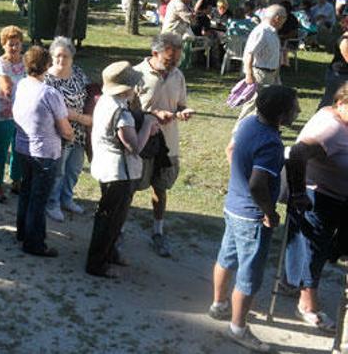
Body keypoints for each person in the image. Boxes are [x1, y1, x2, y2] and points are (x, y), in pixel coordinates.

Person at [210, 85, 299, 353]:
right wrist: (270, 213)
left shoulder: (250, 122)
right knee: (249, 274)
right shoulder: (271, 143)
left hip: (233, 205)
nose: (298, 111)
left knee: (226, 257)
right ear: (282, 116)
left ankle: (219, 304)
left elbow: (232, 150)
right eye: (295, 108)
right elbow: (258, 184)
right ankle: (237, 328)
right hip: (252, 216)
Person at [281, 84, 348, 333]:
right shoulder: (331, 127)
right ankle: (307, 305)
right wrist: (298, 192)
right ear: (341, 102)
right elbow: (297, 153)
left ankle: (292, 282)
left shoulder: (339, 116)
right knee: (313, 249)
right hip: (318, 195)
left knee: (312, 246)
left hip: (333, 196)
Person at [86, 61, 159, 278]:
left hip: (107, 168)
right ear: (127, 87)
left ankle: (108, 254)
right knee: (110, 218)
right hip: (118, 172)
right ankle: (97, 263)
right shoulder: (121, 112)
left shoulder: (105, 102)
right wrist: (148, 125)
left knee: (111, 217)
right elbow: (134, 146)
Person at [133, 33, 195, 258]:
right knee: (131, 186)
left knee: (161, 187)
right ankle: (118, 230)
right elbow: (128, 111)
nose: (173, 66)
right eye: (169, 61)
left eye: (177, 61)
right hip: (141, 142)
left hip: (168, 143)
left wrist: (182, 112)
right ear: (155, 53)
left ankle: (158, 232)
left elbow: (179, 104)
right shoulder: (137, 74)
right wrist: (153, 114)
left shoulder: (178, 76)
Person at [13, 45, 73, 257]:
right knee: (39, 199)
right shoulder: (50, 93)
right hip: (45, 152)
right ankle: (34, 243)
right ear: (47, 65)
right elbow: (64, 127)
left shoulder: (21, 85)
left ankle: (23, 232)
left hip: (23, 147)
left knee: (27, 192)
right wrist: (70, 135)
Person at [44, 37, 92, 221]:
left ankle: (67, 198)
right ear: (51, 56)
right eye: (57, 56)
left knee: (74, 168)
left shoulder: (78, 73)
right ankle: (52, 203)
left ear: (72, 57)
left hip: (80, 131)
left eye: (65, 56)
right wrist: (82, 118)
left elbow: (88, 94)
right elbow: (55, 108)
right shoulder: (47, 79)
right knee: (58, 171)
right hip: (59, 132)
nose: (61, 60)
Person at [0, 25, 26, 203]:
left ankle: (16, 180)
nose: (14, 48)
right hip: (3, 112)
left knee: (19, 148)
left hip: (23, 114)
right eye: (10, 44)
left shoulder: (26, 63)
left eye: (17, 44)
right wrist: (9, 89)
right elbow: (5, 84)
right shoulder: (0, 63)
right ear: (3, 45)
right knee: (1, 150)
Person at [234, 5, 287, 127]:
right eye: (284, 18)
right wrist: (249, 74)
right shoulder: (262, 31)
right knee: (253, 104)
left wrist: (276, 75)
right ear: (277, 18)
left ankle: (264, 127)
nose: (284, 22)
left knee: (271, 103)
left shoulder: (272, 32)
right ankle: (239, 130)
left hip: (271, 73)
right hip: (260, 73)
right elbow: (249, 53)